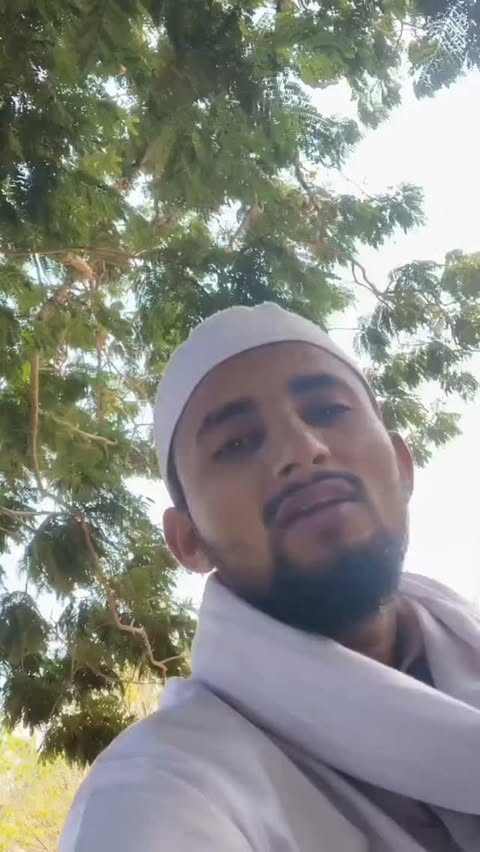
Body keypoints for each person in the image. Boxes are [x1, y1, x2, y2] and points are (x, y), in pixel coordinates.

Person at [61, 303, 480, 852]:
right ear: (189, 540)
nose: (302, 450)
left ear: (402, 465)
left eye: (327, 410)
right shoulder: (163, 788)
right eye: (236, 443)